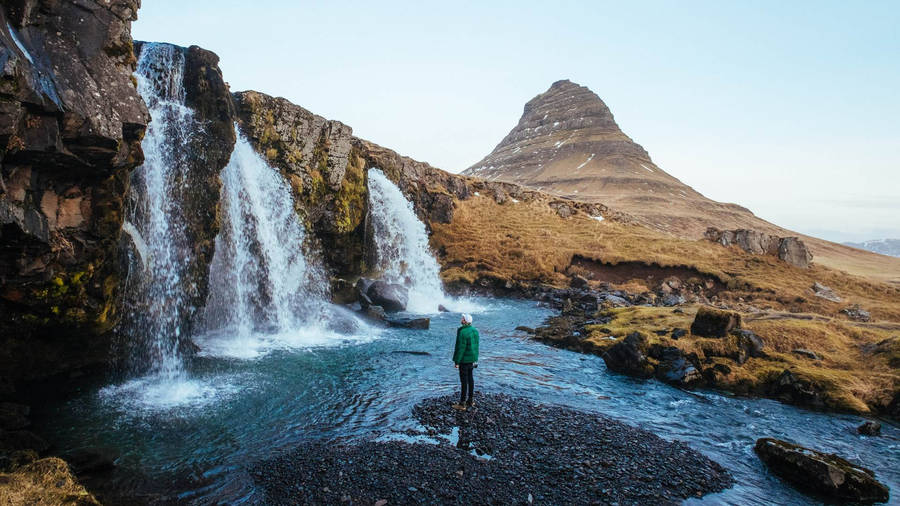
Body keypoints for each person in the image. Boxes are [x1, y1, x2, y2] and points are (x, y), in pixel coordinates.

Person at [452, 313, 479, 411]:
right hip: (472, 359)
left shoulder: (463, 332)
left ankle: (462, 404)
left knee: (464, 381)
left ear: (465, 321)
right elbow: (476, 346)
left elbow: (461, 348)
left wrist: (457, 361)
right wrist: (476, 358)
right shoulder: (475, 331)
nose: (461, 319)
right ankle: (470, 401)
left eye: (462, 318)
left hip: (464, 360)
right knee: (470, 379)